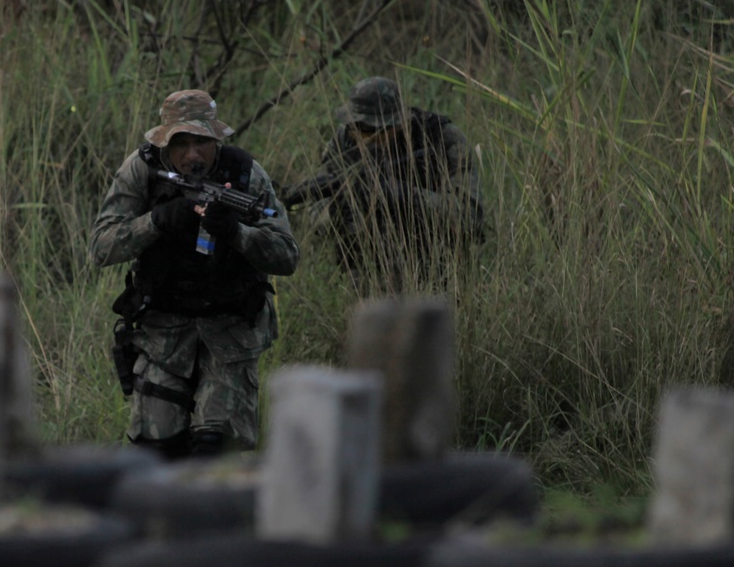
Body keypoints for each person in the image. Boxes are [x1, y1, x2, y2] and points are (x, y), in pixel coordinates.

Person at [90, 89, 299, 459]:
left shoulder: (245, 174)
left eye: (201, 142)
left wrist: (236, 233)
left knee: (218, 452)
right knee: (155, 453)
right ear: (164, 144)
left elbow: (286, 256)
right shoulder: (142, 171)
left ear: (216, 139)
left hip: (231, 333)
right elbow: (101, 248)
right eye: (181, 143)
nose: (192, 154)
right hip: (164, 335)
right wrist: (156, 221)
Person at [285, 76, 484, 292]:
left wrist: (403, 195)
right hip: (366, 271)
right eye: (357, 127)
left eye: (373, 130)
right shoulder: (343, 141)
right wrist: (341, 209)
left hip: (437, 270)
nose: (364, 138)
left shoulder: (441, 138)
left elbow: (469, 215)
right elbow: (316, 216)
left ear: (398, 123)